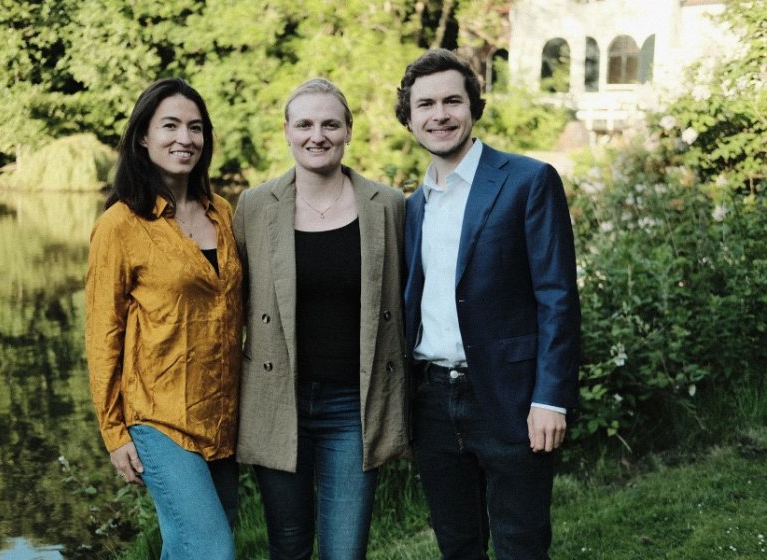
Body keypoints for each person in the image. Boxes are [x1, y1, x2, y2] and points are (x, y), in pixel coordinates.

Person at [396, 49, 581, 559]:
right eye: (426, 105)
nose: (440, 115)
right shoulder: (411, 206)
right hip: (432, 400)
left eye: (452, 100)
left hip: (512, 397)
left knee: (521, 544)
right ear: (409, 119)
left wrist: (550, 398)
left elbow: (557, 296)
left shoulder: (527, 180)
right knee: (458, 545)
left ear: (473, 107)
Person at [232, 78, 409, 560]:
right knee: (287, 545)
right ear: (286, 131)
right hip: (277, 397)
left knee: (344, 550)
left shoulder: (389, 206)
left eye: (331, 124)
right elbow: (231, 303)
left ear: (349, 131)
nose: (318, 135)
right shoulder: (253, 206)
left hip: (353, 405)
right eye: (305, 124)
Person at [85, 77, 242, 560]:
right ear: (143, 138)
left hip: (222, 415)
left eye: (195, 128)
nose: (185, 139)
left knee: (185, 545)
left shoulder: (223, 214)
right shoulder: (120, 225)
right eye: (170, 126)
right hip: (158, 415)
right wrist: (114, 433)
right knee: (213, 549)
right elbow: (101, 334)